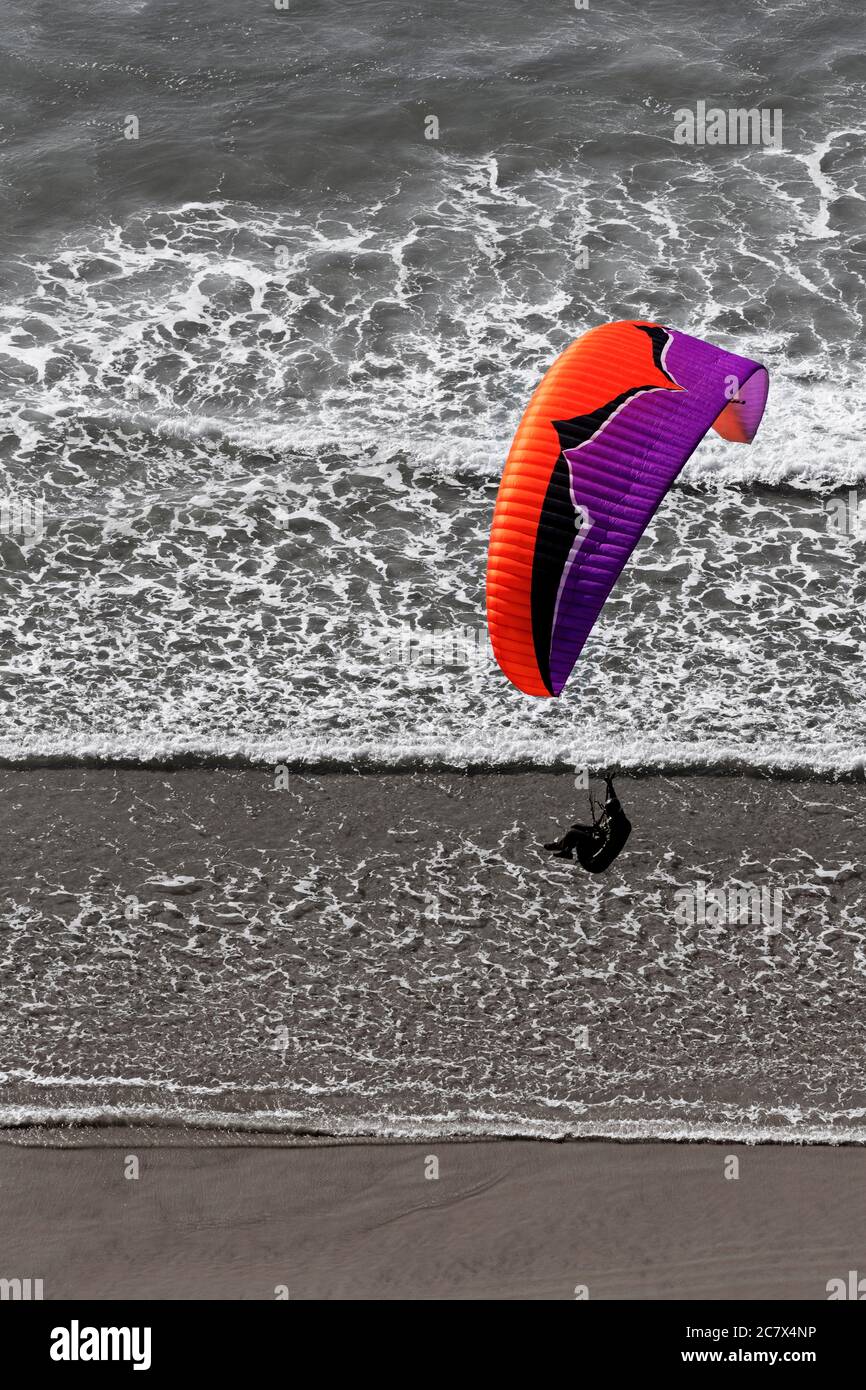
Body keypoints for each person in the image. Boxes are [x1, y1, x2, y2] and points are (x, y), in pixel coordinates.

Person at [544, 775, 631, 873]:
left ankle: (562, 848)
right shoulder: (620, 816)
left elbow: (606, 849)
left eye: (607, 813)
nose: (606, 814)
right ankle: (565, 849)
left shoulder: (616, 832)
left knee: (573, 833)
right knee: (576, 826)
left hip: (593, 864)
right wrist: (610, 785)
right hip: (597, 847)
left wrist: (591, 858)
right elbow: (614, 799)